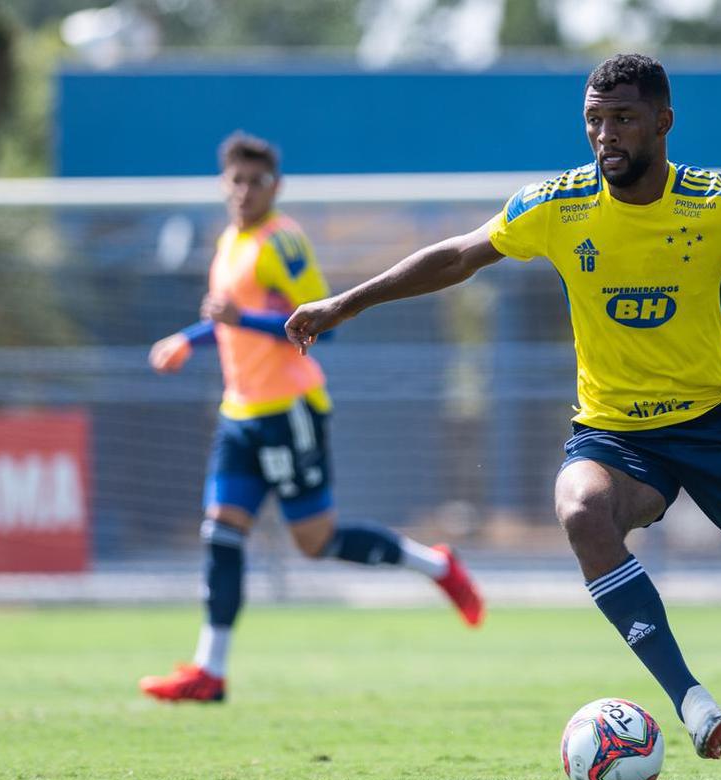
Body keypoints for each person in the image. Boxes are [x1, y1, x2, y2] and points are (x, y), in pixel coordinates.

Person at [284, 55, 721, 780]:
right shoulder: (555, 206)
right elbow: (457, 256)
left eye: (622, 118)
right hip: (615, 434)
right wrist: (344, 303)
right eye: (594, 119)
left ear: (662, 122)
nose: (605, 134)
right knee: (579, 508)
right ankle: (689, 700)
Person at [139, 132, 484, 704]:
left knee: (316, 543)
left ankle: (436, 566)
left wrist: (239, 318)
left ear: (276, 186)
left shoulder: (284, 242)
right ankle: (210, 670)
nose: (246, 191)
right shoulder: (229, 241)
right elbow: (230, 319)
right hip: (238, 415)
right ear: (225, 185)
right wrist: (188, 339)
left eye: (257, 182)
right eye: (238, 181)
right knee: (221, 532)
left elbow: (323, 323)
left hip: (288, 412)